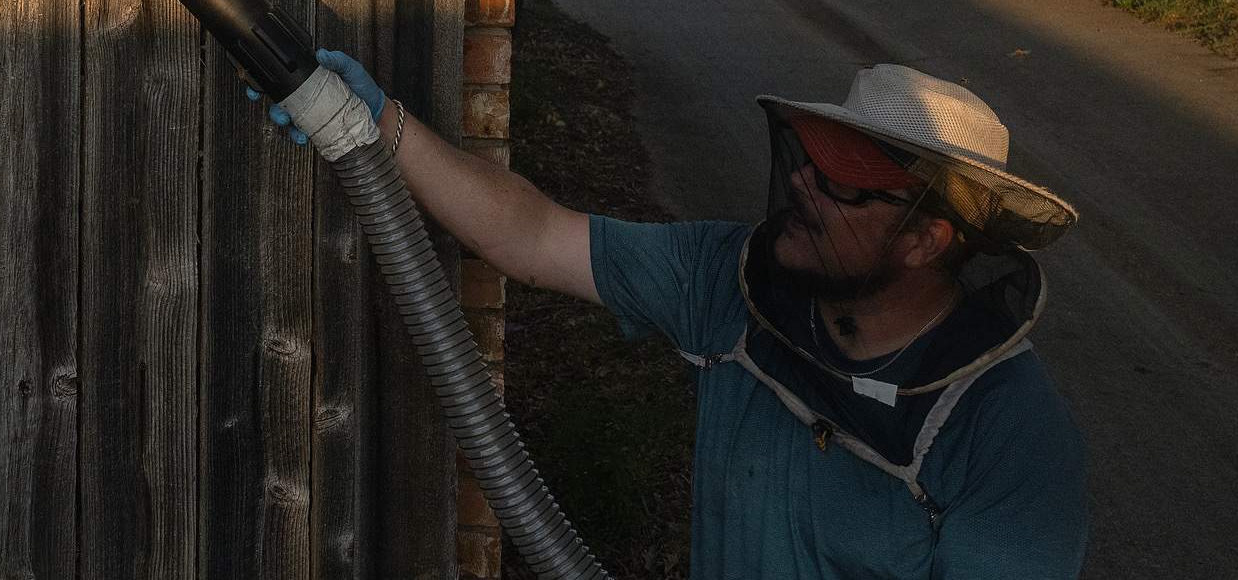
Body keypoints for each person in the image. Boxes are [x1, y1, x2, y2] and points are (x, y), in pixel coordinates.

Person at [274, 54, 1088, 579]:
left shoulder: (1008, 435)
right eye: (807, 162)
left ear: (924, 240)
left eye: (840, 185)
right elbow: (532, 235)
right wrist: (377, 125)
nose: (800, 185)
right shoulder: (728, 284)